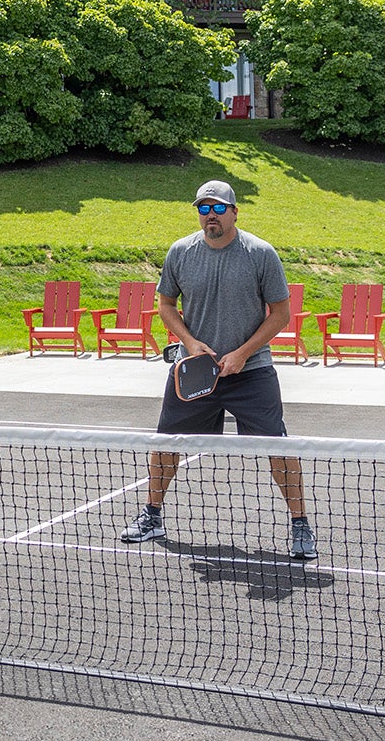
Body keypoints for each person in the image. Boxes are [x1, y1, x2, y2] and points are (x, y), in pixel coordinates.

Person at [120, 180, 317, 560]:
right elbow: (166, 305)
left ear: (234, 211)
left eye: (218, 208)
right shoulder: (181, 252)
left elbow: (280, 314)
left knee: (278, 446)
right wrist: (191, 344)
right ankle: (152, 515)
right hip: (194, 370)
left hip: (251, 370)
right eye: (203, 209)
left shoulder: (260, 254)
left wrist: (243, 353)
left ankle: (299, 525)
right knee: (166, 444)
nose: (210, 216)